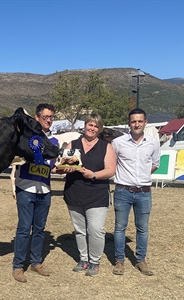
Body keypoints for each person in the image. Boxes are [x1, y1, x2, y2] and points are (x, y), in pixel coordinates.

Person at [58, 113, 116, 276]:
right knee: (80, 230)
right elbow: (59, 167)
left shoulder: (106, 146)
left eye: (96, 126)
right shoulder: (72, 144)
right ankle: (83, 259)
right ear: (85, 126)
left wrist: (94, 175)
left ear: (100, 129)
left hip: (97, 195)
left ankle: (94, 262)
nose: (92, 128)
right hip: (74, 193)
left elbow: (111, 170)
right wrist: (65, 168)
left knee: (96, 229)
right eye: (90, 124)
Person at [11, 103, 59, 283]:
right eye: (45, 117)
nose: (48, 120)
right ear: (37, 118)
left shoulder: (54, 141)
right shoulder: (26, 138)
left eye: (51, 117)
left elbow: (51, 167)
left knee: (39, 229)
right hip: (26, 189)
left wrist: (62, 167)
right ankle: (18, 266)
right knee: (24, 228)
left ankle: (36, 262)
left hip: (45, 191)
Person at [111, 108, 160, 276]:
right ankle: (119, 260)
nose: (137, 124)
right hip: (122, 191)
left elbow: (155, 164)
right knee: (119, 227)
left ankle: (141, 260)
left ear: (145, 122)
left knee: (143, 228)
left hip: (144, 192)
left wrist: (142, 177)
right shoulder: (118, 143)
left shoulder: (153, 143)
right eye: (133, 121)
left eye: (140, 121)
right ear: (129, 124)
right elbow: (113, 163)